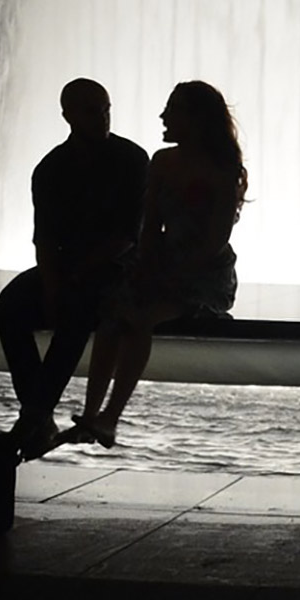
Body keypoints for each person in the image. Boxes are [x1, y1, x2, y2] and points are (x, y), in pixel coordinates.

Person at [73, 81, 246, 448]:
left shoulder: (222, 170)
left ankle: (110, 417)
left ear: (197, 119)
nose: (163, 116)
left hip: (205, 275)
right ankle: (91, 415)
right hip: (161, 261)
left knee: (138, 320)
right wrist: (148, 265)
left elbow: (216, 241)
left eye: (173, 109)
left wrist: (168, 276)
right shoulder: (162, 161)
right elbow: (149, 225)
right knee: (111, 319)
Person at [0, 79, 149, 460]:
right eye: (93, 111)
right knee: (9, 306)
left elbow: (130, 235)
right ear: (67, 115)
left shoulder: (132, 159)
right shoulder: (50, 168)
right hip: (71, 268)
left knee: (77, 308)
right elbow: (43, 238)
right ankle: (38, 410)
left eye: (106, 109)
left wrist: (70, 277)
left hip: (119, 268)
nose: (103, 118)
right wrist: (51, 284)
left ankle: (35, 412)